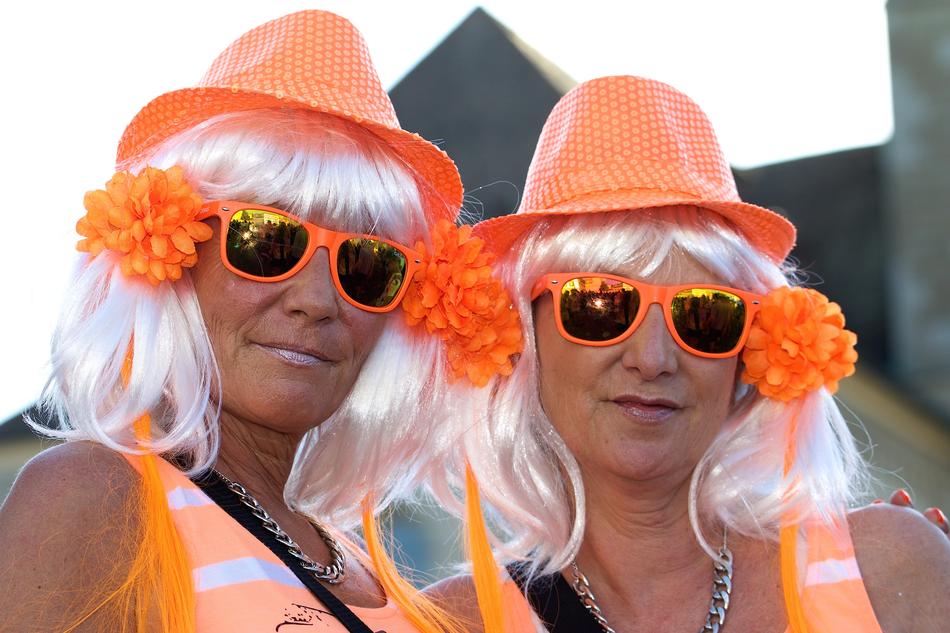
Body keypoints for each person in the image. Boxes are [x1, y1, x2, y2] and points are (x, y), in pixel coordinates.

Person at [0, 10, 521, 633]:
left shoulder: (350, 564)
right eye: (268, 242)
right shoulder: (94, 497)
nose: (318, 300)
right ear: (175, 254)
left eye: (366, 265)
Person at [428, 76, 950, 632]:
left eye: (704, 316)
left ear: (750, 354)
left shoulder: (887, 571)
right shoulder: (451, 624)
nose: (652, 359)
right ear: (523, 335)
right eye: (601, 305)